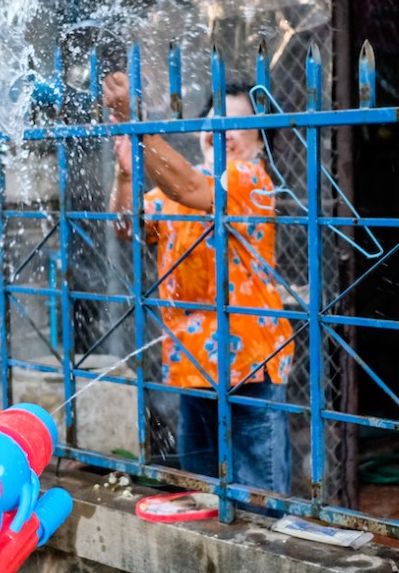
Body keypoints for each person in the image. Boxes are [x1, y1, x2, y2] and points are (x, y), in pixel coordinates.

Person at [105, 72, 293, 492]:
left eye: (236, 124)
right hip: (192, 362)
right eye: (214, 121)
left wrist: (137, 126)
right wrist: (125, 174)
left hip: (248, 367)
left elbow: (191, 189)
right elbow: (127, 226)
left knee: (256, 499)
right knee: (202, 496)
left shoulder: (250, 179)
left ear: (261, 141)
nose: (222, 132)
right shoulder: (181, 183)